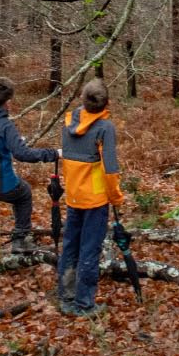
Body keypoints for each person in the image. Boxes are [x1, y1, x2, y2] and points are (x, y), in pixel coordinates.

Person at [0, 77, 58, 285]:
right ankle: (20, 239)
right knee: (24, 193)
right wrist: (53, 154)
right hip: (1, 183)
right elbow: (22, 154)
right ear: (8, 101)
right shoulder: (4, 125)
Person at [57, 78, 124, 317]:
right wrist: (116, 198)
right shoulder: (105, 128)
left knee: (70, 246)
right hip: (95, 200)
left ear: (82, 101)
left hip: (73, 195)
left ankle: (66, 296)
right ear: (107, 103)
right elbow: (110, 169)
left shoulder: (67, 123)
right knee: (89, 250)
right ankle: (84, 304)